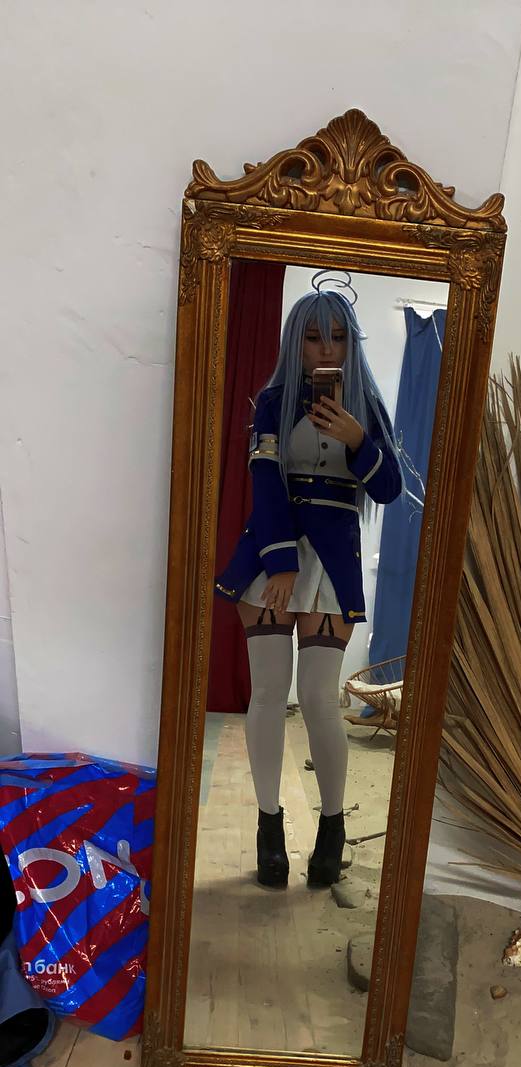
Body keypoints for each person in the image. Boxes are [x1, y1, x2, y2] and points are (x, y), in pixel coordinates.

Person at [215, 285, 403, 889]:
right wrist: (280, 562)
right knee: (268, 693)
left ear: (352, 344)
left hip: (334, 561)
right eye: (315, 337)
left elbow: (389, 490)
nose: (327, 349)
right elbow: (265, 482)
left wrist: (357, 439)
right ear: (296, 343)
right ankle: (269, 827)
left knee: (320, 698)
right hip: (273, 552)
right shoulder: (272, 403)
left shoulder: (366, 408)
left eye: (339, 337)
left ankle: (332, 827)